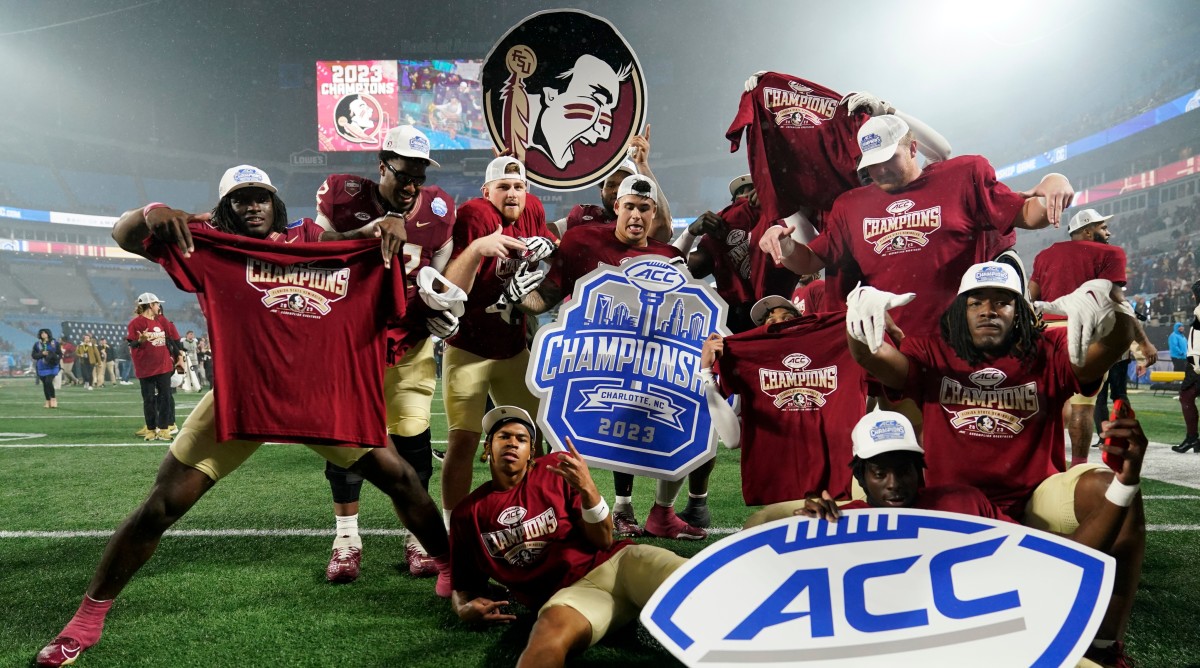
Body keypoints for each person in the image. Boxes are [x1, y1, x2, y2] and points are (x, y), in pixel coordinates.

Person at [34, 165, 454, 668]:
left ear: (275, 203)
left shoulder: (311, 238)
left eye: (260, 197)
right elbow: (123, 233)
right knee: (161, 506)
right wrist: (149, 212)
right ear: (224, 210)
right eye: (239, 200)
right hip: (243, 397)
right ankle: (87, 618)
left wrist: (388, 226)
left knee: (403, 480)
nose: (251, 206)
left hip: (321, 398)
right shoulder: (205, 244)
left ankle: (453, 568)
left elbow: (362, 243)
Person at [845, 261, 1142, 666]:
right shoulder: (933, 350)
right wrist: (857, 327)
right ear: (960, 310)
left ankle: (1105, 645)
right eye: (977, 302)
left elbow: (1100, 356)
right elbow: (876, 360)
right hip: (945, 503)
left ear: (1019, 312)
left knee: (1110, 491)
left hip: (1032, 497)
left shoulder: (1048, 350)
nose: (989, 310)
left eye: (1003, 302)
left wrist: (1117, 314)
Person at [516, 174, 706, 539]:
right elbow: (548, 296)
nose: (636, 215)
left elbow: (689, 319)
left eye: (645, 209)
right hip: (584, 364)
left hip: (644, 366)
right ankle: (555, 515)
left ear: (655, 215)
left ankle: (662, 513)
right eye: (630, 206)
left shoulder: (668, 257)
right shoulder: (579, 240)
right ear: (616, 207)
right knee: (561, 438)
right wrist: (516, 296)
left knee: (689, 423)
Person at [313, 124, 459, 582]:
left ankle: (416, 539)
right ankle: (346, 538)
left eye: (419, 176)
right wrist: (368, 230)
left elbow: (439, 281)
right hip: (352, 344)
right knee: (348, 445)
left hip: (411, 344)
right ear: (382, 167)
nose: (412, 186)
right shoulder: (343, 195)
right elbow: (314, 253)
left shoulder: (439, 209)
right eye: (403, 175)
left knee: (414, 447)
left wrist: (445, 312)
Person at [450, 406, 687, 667]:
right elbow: (463, 585)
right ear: (487, 447)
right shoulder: (467, 514)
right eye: (504, 436)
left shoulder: (555, 468)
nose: (512, 443)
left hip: (620, 563)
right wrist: (463, 609)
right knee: (545, 642)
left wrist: (588, 490)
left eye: (522, 438)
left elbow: (604, 540)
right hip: (570, 597)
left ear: (532, 452)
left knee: (697, 582)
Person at [801, 410, 1150, 559]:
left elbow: (1068, 554)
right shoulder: (842, 522)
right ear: (861, 479)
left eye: (904, 470)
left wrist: (1125, 481)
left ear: (920, 469)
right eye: (880, 473)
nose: (895, 484)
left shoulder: (963, 504)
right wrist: (806, 529)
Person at [436, 156, 553, 526]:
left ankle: (531, 516)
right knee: (463, 443)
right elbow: (451, 285)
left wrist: (549, 245)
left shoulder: (532, 208)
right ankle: (453, 530)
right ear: (486, 192)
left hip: (512, 348)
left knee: (535, 439)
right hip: (468, 348)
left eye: (518, 186)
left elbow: (549, 244)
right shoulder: (476, 215)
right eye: (503, 187)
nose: (513, 193)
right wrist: (476, 249)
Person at [699, 295, 868, 527]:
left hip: (840, 480)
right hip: (782, 484)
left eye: (787, 318)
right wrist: (706, 372)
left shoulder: (840, 339)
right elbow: (732, 440)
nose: (779, 322)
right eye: (770, 320)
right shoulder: (748, 356)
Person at [1029, 208, 1157, 467]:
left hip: (1046, 334)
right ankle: (1077, 467)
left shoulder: (1045, 254)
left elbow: (1031, 297)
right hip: (1084, 335)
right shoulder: (1111, 254)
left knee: (1049, 403)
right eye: (1103, 227)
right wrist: (1143, 341)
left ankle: (1041, 462)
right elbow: (1117, 300)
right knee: (1083, 406)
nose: (1109, 232)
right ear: (1087, 230)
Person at [548, 126, 673, 243]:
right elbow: (546, 232)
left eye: (624, 185)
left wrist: (642, 164)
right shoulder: (584, 214)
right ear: (601, 191)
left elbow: (662, 226)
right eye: (611, 185)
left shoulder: (639, 221)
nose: (617, 190)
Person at [127, 293, 184, 442]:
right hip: (145, 368)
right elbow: (131, 344)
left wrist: (179, 356)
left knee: (165, 397)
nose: (159, 306)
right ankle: (151, 429)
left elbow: (170, 341)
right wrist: (140, 340)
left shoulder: (161, 321)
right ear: (150, 305)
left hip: (164, 366)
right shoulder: (136, 323)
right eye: (157, 303)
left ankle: (164, 429)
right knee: (149, 399)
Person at [1172, 282, 1200, 453]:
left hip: (1197, 362)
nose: (1191, 297)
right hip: (1196, 360)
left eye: (1194, 293)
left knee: (1186, 396)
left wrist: (1195, 362)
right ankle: (1194, 439)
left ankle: (1192, 438)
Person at [31, 328, 61, 409]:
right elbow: (34, 355)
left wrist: (53, 356)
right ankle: (47, 401)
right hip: (41, 367)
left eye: (45, 333)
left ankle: (53, 399)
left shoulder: (54, 343)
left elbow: (59, 354)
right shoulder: (37, 344)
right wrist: (42, 353)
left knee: (48, 381)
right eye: (41, 333)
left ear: (48, 334)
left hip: (52, 366)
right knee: (45, 384)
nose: (43, 334)